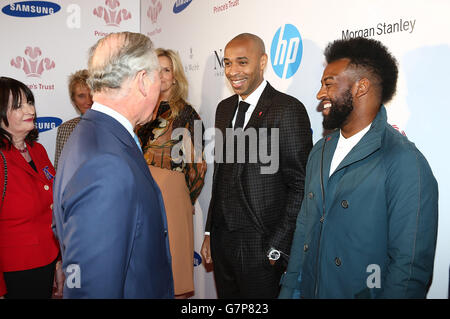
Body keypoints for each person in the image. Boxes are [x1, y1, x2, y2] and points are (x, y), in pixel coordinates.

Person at [279, 37, 439, 299]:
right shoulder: (320, 151)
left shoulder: (405, 162)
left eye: (329, 84)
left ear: (361, 87)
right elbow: (303, 234)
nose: (320, 95)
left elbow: (408, 271)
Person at [52, 32, 174, 298]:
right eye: (158, 80)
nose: (160, 90)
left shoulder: (92, 134)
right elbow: (93, 289)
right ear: (143, 81)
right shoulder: (106, 164)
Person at [200, 33, 313, 298]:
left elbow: (301, 185)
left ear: (262, 62)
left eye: (242, 62)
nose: (233, 72)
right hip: (223, 241)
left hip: (261, 246)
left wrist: (277, 247)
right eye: (227, 63)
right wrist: (208, 231)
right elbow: (221, 174)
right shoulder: (224, 109)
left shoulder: (287, 109)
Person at [137, 48, 206, 298]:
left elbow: (198, 164)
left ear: (175, 76)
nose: (161, 75)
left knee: (174, 267)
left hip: (171, 193)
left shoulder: (185, 114)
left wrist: (185, 197)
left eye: (166, 70)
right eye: (156, 69)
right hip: (138, 191)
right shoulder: (138, 110)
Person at [0, 77, 63, 299]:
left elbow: (51, 210)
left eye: (29, 101)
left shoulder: (38, 150)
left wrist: (56, 261)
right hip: (14, 273)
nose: (30, 110)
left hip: (45, 262)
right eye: (18, 106)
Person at [54, 69, 93, 170]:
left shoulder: (112, 127)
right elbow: (59, 170)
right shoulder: (65, 129)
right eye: (81, 96)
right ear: (73, 100)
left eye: (91, 95)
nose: (88, 101)